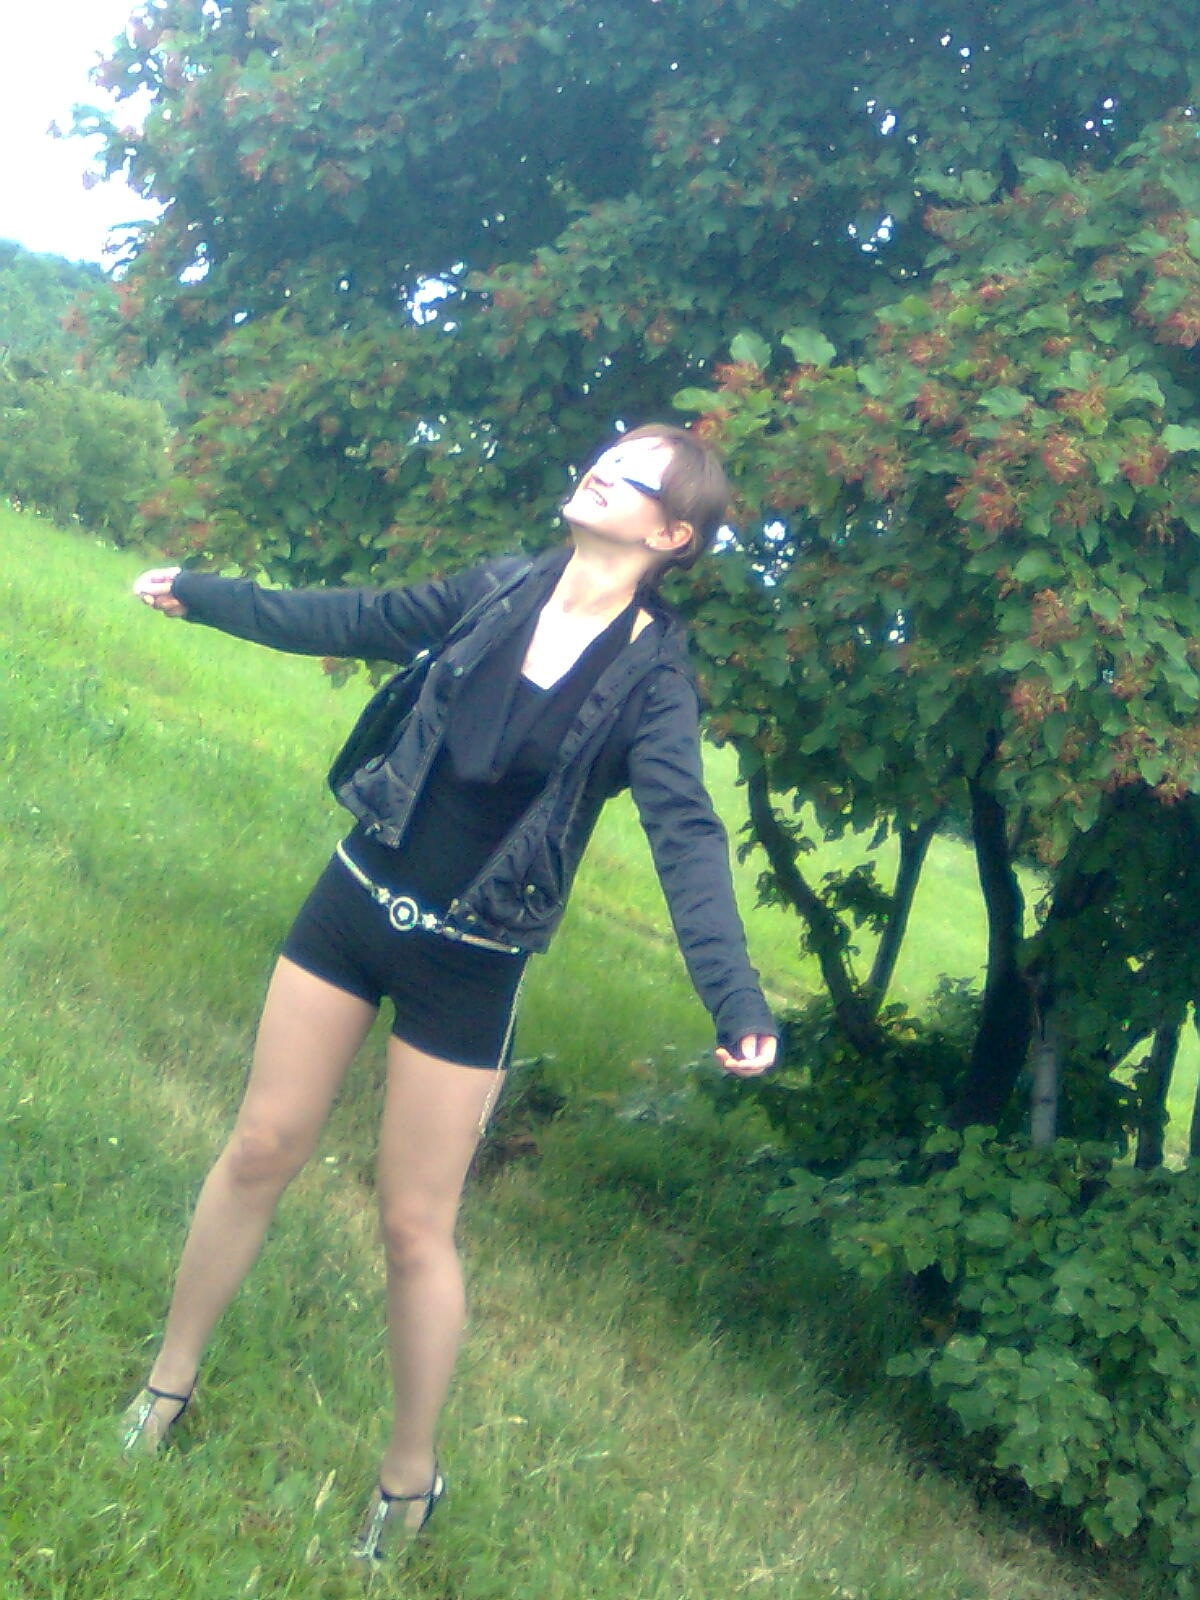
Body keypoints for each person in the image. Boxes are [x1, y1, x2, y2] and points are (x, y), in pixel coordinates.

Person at [122, 423, 777, 1559]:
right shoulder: (498, 589)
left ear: (673, 535)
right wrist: (210, 595)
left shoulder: (656, 683)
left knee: (413, 1224)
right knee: (261, 1145)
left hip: (470, 961)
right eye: (608, 454)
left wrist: (736, 997)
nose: (602, 469)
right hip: (355, 900)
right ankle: (164, 1389)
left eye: (634, 474)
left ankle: (409, 1479)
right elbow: (359, 617)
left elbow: (686, 833)